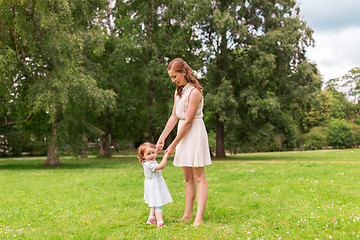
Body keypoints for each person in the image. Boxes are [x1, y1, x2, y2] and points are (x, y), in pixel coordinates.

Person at [156, 58, 212, 227]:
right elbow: (174, 117)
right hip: (182, 132)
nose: (173, 80)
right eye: (171, 77)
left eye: (175, 76)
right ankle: (187, 214)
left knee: (199, 177)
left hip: (193, 132)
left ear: (184, 72)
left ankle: (198, 217)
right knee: (187, 178)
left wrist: (172, 145)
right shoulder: (178, 92)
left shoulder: (194, 92)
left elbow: (188, 122)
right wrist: (162, 137)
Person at [138, 142, 173, 228]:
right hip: (154, 186)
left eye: (153, 153)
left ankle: (151, 219)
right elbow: (161, 166)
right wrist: (165, 157)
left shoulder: (149, 161)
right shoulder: (149, 164)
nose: (152, 155)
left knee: (154, 202)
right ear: (143, 156)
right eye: (148, 154)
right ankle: (160, 222)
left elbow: (155, 152)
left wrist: (158, 149)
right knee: (158, 203)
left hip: (155, 184)